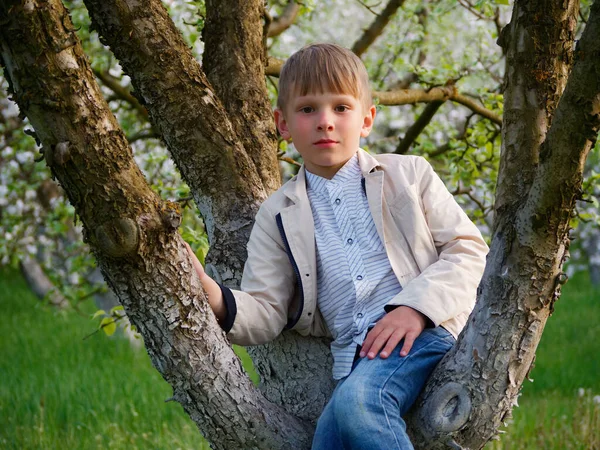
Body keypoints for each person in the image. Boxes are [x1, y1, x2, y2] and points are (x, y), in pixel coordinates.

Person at [185, 43, 488, 449]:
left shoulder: (410, 174)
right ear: (283, 123)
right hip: (354, 360)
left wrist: (416, 309)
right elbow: (268, 307)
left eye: (341, 108)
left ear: (367, 119)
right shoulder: (277, 214)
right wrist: (213, 296)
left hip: (426, 333)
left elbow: (467, 249)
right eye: (308, 109)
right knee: (328, 441)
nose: (325, 122)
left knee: (358, 407)